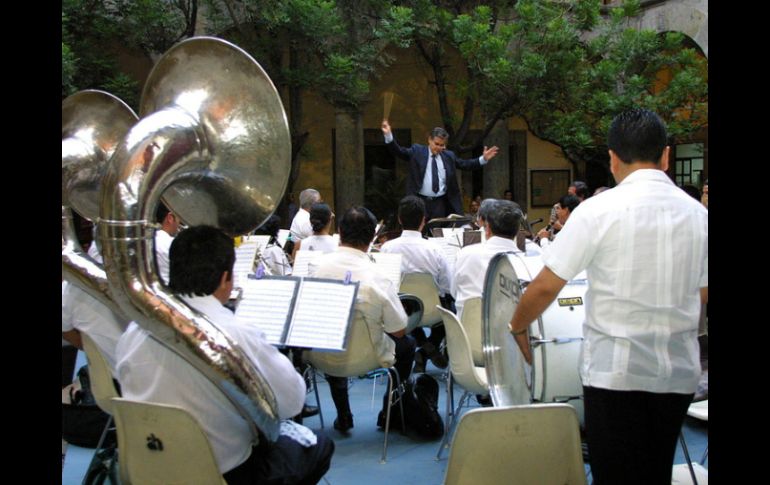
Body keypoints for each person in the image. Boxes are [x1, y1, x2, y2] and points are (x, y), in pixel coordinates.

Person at [508, 108, 708, 485]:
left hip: (615, 373)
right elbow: (703, 291)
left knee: (614, 473)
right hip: (677, 373)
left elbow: (547, 285)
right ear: (665, 156)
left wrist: (518, 326)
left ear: (613, 158)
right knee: (655, 468)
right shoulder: (699, 215)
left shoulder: (596, 211)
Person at [116, 225, 334, 484]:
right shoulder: (237, 332)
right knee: (319, 445)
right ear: (224, 279)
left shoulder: (135, 329)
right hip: (224, 472)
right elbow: (292, 402)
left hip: (149, 465)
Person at [309, 207, 416, 432]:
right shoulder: (378, 276)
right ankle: (390, 410)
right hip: (368, 358)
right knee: (408, 345)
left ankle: (343, 413)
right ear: (372, 238)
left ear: (339, 231)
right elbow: (398, 331)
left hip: (321, 356)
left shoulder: (314, 268)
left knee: (333, 334)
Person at [381, 196, 453, 370]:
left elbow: (385, 285)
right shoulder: (435, 249)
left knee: (406, 302)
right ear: (423, 220)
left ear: (399, 219)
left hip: (402, 311)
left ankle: (423, 347)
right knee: (450, 307)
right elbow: (446, 286)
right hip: (433, 311)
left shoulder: (387, 248)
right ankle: (429, 347)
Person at [381, 120, 499, 220]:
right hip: (420, 201)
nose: (439, 148)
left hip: (440, 203)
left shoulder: (449, 156)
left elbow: (465, 164)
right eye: (437, 144)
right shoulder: (417, 151)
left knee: (440, 231)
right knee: (419, 231)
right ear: (429, 140)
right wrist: (389, 136)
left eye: (442, 145)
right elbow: (399, 151)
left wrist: (483, 159)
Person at [451, 199, 524, 319]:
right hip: (509, 333)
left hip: (467, 332)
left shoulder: (465, 254)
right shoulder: (527, 261)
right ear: (517, 230)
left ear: (487, 228)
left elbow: (454, 292)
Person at [155, 202, 181, 284]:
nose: (179, 225)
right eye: (178, 220)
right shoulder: (172, 244)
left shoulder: (151, 239)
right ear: (170, 218)